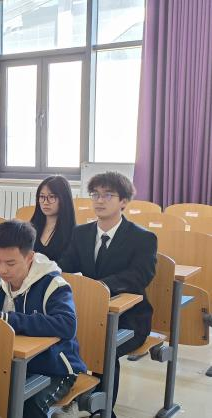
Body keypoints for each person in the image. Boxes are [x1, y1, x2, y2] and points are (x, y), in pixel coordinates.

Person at [0, 220, 86, 417]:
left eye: (10, 263)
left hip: (54, 368)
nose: (2, 269)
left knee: (28, 405)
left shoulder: (53, 284)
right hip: (7, 362)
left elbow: (67, 324)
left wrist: (7, 320)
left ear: (30, 257)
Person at [58, 172, 156, 417]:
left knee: (103, 347)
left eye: (108, 195)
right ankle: (62, 395)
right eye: (95, 195)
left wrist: (98, 287)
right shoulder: (81, 233)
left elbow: (139, 276)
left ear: (124, 201)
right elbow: (65, 267)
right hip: (87, 311)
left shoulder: (142, 238)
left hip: (128, 317)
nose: (99, 201)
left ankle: (103, 409)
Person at [30, 176, 76, 262]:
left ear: (63, 199)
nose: (45, 202)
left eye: (51, 197)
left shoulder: (74, 233)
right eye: (42, 197)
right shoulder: (31, 228)